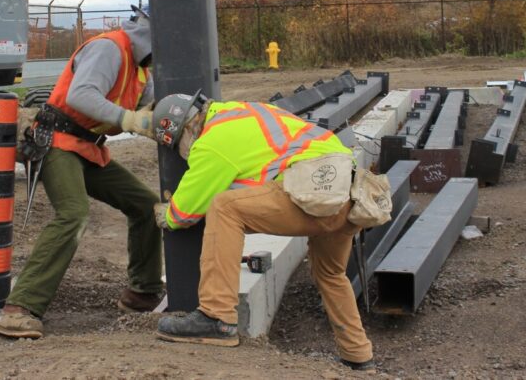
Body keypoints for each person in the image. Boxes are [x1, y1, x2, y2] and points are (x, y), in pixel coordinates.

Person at [151, 92, 375, 371]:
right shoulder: (242, 112)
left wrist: (167, 214)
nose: (182, 153)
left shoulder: (212, 142)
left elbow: (185, 213)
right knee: (330, 274)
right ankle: (358, 356)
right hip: (347, 191)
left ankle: (217, 317)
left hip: (312, 191)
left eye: (177, 146)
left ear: (185, 129)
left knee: (224, 208)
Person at [0, 6, 162, 340]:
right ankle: (20, 307)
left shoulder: (143, 70)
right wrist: (129, 120)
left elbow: (154, 108)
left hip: (87, 147)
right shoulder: (110, 48)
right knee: (73, 213)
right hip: (56, 141)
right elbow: (80, 95)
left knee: (146, 205)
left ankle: (143, 293)